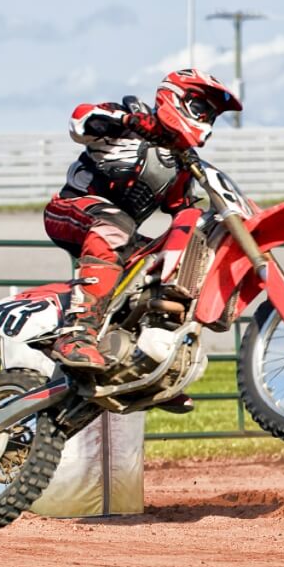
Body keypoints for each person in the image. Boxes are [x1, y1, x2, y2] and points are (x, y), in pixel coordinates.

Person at [45, 69, 242, 372]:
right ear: (178, 97)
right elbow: (80, 120)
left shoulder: (180, 164)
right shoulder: (128, 120)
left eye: (211, 116)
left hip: (119, 232)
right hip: (70, 209)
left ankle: (148, 362)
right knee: (115, 226)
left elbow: (182, 213)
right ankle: (77, 335)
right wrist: (129, 121)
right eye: (202, 109)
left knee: (167, 265)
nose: (205, 119)